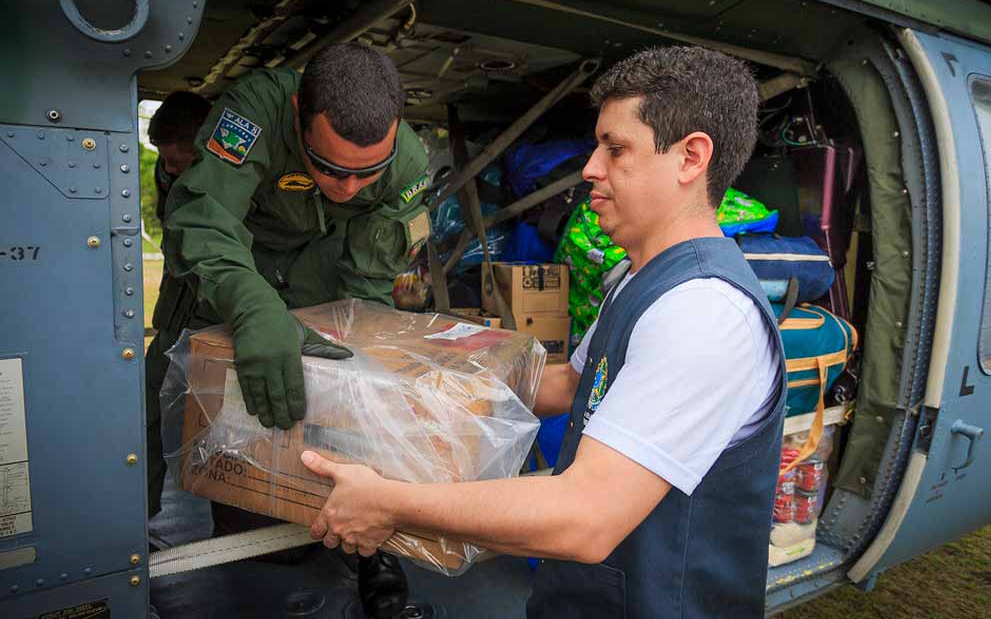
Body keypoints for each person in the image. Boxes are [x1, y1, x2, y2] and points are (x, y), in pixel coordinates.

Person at [300, 46, 787, 618]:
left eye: (615, 147)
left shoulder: (702, 312)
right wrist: (410, 382)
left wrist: (391, 503)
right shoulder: (639, 278)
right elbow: (566, 385)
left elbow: (586, 516)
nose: (590, 168)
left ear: (690, 157)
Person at [148, 43, 431, 619]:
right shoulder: (255, 111)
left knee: (356, 403)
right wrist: (251, 305)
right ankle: (118, 551)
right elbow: (204, 218)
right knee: (153, 402)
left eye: (364, 173)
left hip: (320, 282)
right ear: (300, 111)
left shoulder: (406, 162)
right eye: (328, 168)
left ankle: (374, 547)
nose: (347, 188)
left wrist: (367, 364)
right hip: (228, 275)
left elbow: (369, 283)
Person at [147, 90, 212, 225]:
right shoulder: (165, 173)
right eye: (163, 159)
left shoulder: (233, 174)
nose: (168, 168)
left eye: (175, 162)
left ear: (201, 152)